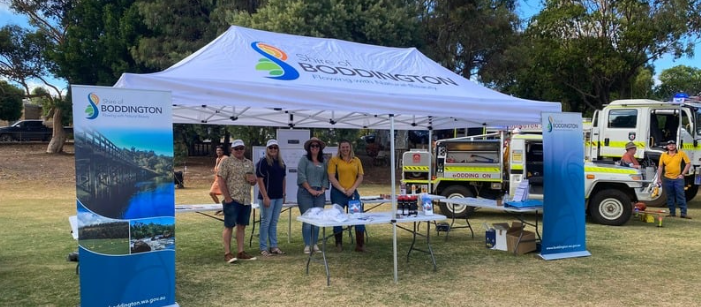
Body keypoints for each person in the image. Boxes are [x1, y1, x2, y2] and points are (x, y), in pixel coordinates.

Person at [217, 139, 258, 263]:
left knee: (242, 226)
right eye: (236, 149)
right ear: (231, 150)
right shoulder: (226, 162)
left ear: (244, 149)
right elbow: (220, 180)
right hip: (232, 199)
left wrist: (253, 181)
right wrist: (227, 198)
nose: (239, 151)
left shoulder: (249, 163)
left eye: (241, 148)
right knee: (229, 226)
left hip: (245, 199)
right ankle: (227, 253)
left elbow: (253, 180)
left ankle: (240, 252)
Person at [328, 139, 366, 252]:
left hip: (353, 193)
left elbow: (360, 176)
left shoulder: (356, 160)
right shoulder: (334, 160)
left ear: (350, 148)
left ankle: (360, 245)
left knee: (358, 217)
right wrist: (342, 189)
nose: (345, 149)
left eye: (347, 147)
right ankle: (338, 243)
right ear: (339, 148)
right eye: (343, 147)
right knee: (338, 218)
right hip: (338, 193)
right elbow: (331, 177)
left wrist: (352, 189)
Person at [297, 137, 328, 254]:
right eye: (312, 146)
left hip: (319, 194)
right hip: (305, 193)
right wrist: (310, 189)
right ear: (309, 148)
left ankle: (315, 244)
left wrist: (323, 189)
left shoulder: (323, 161)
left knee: (317, 220)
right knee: (307, 220)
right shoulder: (304, 160)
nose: (314, 148)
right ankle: (307, 245)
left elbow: (326, 177)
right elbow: (301, 175)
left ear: (320, 148)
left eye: (317, 146)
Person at [255, 139, 287, 257]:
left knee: (273, 222)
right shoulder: (263, 162)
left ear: (278, 149)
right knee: (265, 222)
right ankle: (263, 247)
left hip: (278, 197)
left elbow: (283, 179)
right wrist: (265, 196)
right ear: (267, 149)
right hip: (267, 197)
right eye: (271, 148)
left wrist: (284, 194)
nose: (273, 149)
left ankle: (274, 246)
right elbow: (259, 180)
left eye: (275, 147)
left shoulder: (281, 162)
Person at [656, 140, 692, 219]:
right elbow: (660, 166)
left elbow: (688, 163)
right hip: (667, 178)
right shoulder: (663, 155)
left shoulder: (681, 153)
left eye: (673, 144)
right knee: (669, 196)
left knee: (680, 195)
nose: (671, 146)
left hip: (678, 178)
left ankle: (683, 213)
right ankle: (672, 213)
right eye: (669, 145)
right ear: (667, 146)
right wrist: (659, 178)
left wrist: (682, 174)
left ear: (675, 146)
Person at [209, 146, 228, 210]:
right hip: (217, 180)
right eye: (217, 150)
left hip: (223, 179)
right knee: (211, 193)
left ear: (223, 151)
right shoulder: (217, 159)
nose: (218, 152)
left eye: (220, 150)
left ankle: (225, 209)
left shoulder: (225, 158)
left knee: (225, 195)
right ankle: (219, 207)